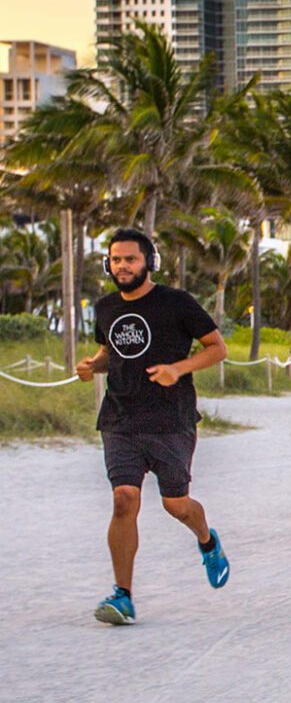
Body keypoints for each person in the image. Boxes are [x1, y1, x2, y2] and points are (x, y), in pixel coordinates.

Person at [78, 228, 231, 624]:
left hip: (170, 419)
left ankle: (207, 540)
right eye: (115, 259)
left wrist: (177, 369)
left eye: (130, 259)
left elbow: (217, 347)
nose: (122, 266)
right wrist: (92, 365)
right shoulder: (106, 307)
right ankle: (123, 596)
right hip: (120, 417)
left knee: (175, 504)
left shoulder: (176, 303)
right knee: (123, 499)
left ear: (149, 261)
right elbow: (109, 351)